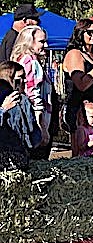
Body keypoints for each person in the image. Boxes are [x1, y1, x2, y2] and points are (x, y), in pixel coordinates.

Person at [10, 25, 52, 159]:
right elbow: (33, 95)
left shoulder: (21, 60)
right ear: (29, 42)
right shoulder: (30, 62)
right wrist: (42, 128)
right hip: (34, 122)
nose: (45, 45)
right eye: (41, 41)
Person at [0, 62, 41, 168]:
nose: (25, 81)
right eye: (20, 77)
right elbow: (33, 135)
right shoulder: (21, 100)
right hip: (15, 154)